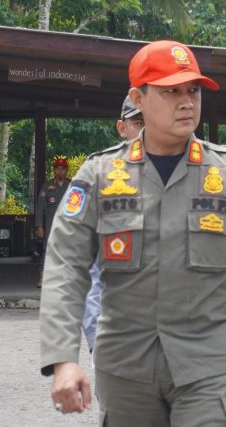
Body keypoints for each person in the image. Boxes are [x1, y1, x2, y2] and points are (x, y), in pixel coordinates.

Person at [40, 40, 226, 427]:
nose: (187, 101)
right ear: (138, 97)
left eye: (193, 90)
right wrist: (63, 360)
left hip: (211, 363)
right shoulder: (100, 175)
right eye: (171, 91)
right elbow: (64, 269)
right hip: (126, 367)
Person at [83, 95, 146, 352]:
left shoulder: (190, 177)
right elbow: (87, 270)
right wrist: (96, 336)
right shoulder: (101, 176)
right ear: (123, 128)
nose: (147, 130)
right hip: (118, 336)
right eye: (139, 122)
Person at [35, 156, 71, 288]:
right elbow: (40, 206)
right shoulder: (47, 186)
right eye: (57, 168)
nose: (60, 171)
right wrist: (39, 226)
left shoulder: (71, 185)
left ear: (66, 170)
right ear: (54, 170)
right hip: (51, 223)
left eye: (62, 169)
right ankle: (43, 276)